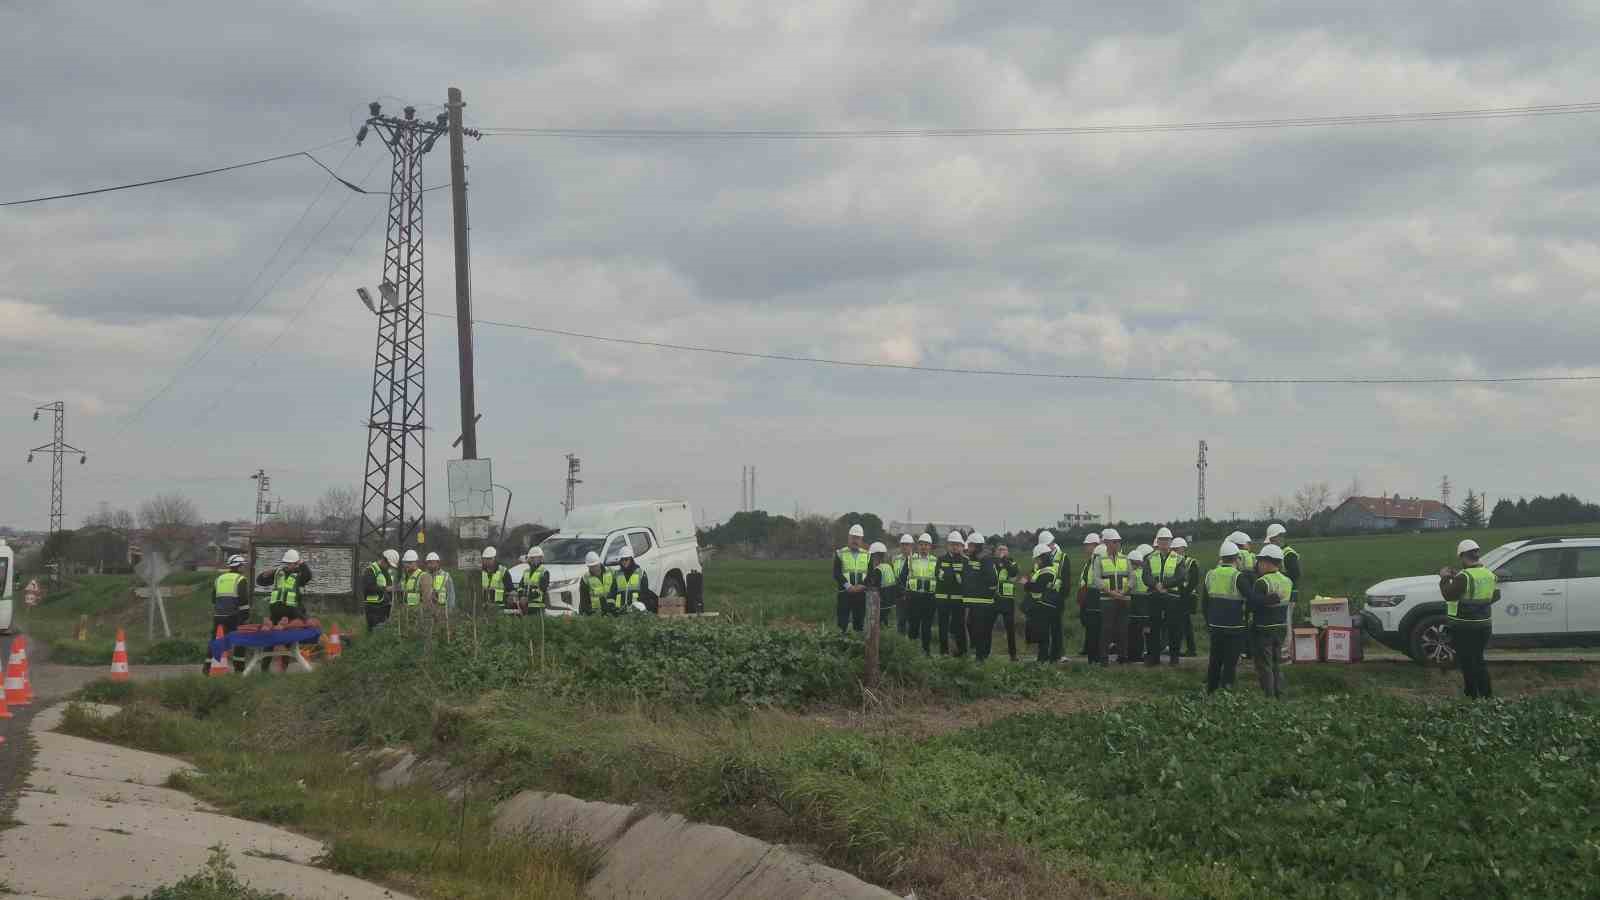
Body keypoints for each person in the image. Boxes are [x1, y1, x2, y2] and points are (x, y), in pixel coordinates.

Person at [1439, 538, 1500, 698]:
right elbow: (1495, 596)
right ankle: (1487, 696)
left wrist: (1444, 577)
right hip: (1484, 625)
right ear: (1477, 555)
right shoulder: (1489, 574)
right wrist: (1478, 605)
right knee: (1479, 660)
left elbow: (1448, 595)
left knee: (1467, 662)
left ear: (1463, 556)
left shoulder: (1464, 576)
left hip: (1465, 627)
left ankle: (1472, 696)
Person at [1201, 541, 1251, 693]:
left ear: (1221, 558)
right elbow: (1250, 597)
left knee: (1215, 659)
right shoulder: (1238, 576)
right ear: (1236, 558)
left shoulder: (1210, 575)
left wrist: (1209, 622)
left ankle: (1211, 689)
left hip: (1215, 625)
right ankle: (1226, 689)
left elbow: (1204, 603)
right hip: (1234, 627)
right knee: (1230, 660)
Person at [1250, 544, 1292, 698]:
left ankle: (1269, 697)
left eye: (1260, 562)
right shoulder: (1287, 581)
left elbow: (1254, 605)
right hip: (1280, 627)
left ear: (1267, 563)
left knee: (1264, 665)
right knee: (1276, 663)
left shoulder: (1262, 582)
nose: (1258, 565)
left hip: (1264, 628)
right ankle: (1280, 694)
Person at [1144, 529, 1182, 666]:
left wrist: (1164, 585)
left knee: (1173, 628)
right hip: (1155, 596)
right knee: (1154, 628)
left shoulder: (1178, 559)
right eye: (1162, 540)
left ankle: (1174, 658)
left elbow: (1180, 576)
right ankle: (1154, 658)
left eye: (1167, 540)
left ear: (1170, 542)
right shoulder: (1149, 558)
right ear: (1157, 542)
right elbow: (1146, 576)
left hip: (1172, 597)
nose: (1164, 543)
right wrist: (1156, 585)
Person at [1092, 529, 1131, 663]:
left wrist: (1123, 593)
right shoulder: (1099, 560)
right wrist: (1111, 592)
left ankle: (1123, 657)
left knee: (1122, 629)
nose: (1117, 544)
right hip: (1107, 600)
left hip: (1123, 599)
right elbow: (1096, 579)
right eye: (1115, 542)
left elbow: (1132, 579)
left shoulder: (1125, 559)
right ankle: (1103, 658)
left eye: (1118, 542)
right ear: (1107, 543)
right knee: (1107, 629)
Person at [1024, 544, 1063, 663]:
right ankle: (1044, 657)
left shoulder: (1047, 571)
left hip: (1043, 605)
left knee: (1043, 634)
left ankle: (1043, 659)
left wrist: (1026, 584)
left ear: (1042, 558)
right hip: (1044, 604)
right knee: (1043, 633)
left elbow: (1038, 588)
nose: (1036, 561)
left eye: (1037, 559)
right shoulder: (1045, 570)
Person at [211, 555, 251, 668]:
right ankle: (239, 669)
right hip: (234, 616)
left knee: (216, 641)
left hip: (218, 616)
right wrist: (245, 616)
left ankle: (208, 667)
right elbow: (243, 600)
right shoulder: (240, 579)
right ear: (238, 566)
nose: (244, 568)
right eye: (243, 565)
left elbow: (213, 599)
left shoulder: (219, 579)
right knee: (240, 641)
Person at [963, 533, 998, 661]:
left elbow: (992, 580)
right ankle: (981, 653)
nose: (968, 548)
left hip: (983, 602)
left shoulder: (985, 559)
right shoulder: (972, 559)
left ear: (977, 546)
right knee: (971, 626)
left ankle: (981, 656)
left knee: (981, 630)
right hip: (973, 601)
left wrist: (982, 590)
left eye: (971, 546)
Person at [256, 548, 313, 624]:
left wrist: (302, 563)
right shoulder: (278, 572)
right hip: (276, 610)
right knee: (275, 630)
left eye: (290, 563)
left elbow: (308, 576)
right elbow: (261, 582)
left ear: (296, 563)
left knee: (297, 626)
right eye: (286, 563)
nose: (287, 565)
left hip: (292, 610)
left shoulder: (299, 575)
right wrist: (263, 575)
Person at [833, 524, 870, 634]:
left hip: (861, 594)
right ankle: (841, 645)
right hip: (844, 593)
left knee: (859, 623)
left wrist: (862, 585)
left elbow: (871, 574)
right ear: (848, 538)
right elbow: (836, 573)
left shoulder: (868, 555)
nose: (855, 540)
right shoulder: (840, 553)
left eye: (858, 538)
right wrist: (848, 586)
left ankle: (856, 645)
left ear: (861, 539)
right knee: (842, 623)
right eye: (853, 537)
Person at [905, 534, 939, 656]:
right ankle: (911, 652)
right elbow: (904, 577)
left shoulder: (936, 561)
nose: (923, 547)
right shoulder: (910, 559)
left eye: (926, 545)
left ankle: (926, 652)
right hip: (913, 597)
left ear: (930, 547)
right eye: (921, 544)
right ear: (918, 546)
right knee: (913, 626)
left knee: (926, 627)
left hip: (929, 598)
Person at [935, 532, 968, 656]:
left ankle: (962, 653)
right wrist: (956, 576)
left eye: (957, 544)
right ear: (948, 545)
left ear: (961, 546)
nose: (955, 547)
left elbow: (965, 579)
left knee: (959, 627)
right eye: (952, 544)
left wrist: (947, 575)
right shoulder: (941, 559)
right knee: (943, 627)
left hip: (959, 600)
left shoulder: (965, 561)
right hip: (943, 599)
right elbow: (938, 576)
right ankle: (944, 652)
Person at [989, 540, 1021, 662]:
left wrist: (1004, 560)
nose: (1002, 551)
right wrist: (998, 561)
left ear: (1008, 552)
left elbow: (1014, 572)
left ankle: (1013, 655)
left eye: (1004, 549)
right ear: (996, 551)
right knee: (988, 626)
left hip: (1007, 600)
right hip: (994, 598)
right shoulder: (992, 562)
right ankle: (987, 652)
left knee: (1010, 628)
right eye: (1000, 549)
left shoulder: (1012, 562)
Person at [1171, 537, 1200, 657]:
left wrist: (1184, 594)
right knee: (1184, 623)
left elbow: (1194, 580)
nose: (1175, 551)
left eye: (1177, 549)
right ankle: (1189, 649)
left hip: (1187, 597)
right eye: (1174, 549)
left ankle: (1188, 649)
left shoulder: (1191, 562)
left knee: (1184, 623)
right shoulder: (1173, 561)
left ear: (1183, 549)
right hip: (1178, 596)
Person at [1079, 533, 1104, 663]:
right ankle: (1091, 656)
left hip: (1095, 597)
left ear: (1095, 545)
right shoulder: (1089, 561)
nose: (1085, 547)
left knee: (1096, 628)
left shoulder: (1098, 560)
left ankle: (1096, 657)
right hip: (1087, 597)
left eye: (1087, 545)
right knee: (1090, 627)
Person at [1125, 545, 1152, 663]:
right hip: (1145, 608)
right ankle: (1143, 654)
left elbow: (1128, 589)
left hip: (1134, 607)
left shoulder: (1133, 574)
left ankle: (1133, 656)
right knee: (1143, 632)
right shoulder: (1146, 573)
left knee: (1133, 633)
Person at [362, 549, 400, 631]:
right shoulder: (370, 570)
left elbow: (389, 586)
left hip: (385, 607)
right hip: (373, 609)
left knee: (384, 631)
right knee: (375, 631)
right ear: (383, 560)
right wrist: (386, 588)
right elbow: (368, 587)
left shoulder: (386, 571)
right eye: (389, 564)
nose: (389, 567)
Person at [615, 545, 654, 613]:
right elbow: (613, 593)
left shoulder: (641, 573)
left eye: (626, 559)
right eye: (622, 560)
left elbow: (645, 594)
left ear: (631, 559)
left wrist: (640, 607)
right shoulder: (617, 575)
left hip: (636, 612)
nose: (624, 562)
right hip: (621, 612)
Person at [579, 551, 617, 615]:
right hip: (596, 613)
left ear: (599, 563)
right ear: (588, 567)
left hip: (612, 610)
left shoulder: (611, 572)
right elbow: (584, 600)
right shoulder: (585, 579)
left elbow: (616, 590)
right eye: (591, 567)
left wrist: (613, 606)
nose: (594, 568)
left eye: (595, 565)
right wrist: (588, 612)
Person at [891, 535, 915, 633]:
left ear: (911, 546)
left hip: (911, 593)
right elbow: (893, 575)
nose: (905, 547)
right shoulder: (895, 559)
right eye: (903, 545)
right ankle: (900, 642)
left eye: (907, 545)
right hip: (899, 594)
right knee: (900, 620)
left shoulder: (916, 559)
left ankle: (911, 642)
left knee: (911, 620)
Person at [480, 546, 513, 612]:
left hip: (499, 607)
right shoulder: (481, 572)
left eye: (489, 559)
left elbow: (510, 590)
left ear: (494, 558)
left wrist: (508, 604)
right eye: (485, 559)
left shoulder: (503, 571)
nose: (487, 561)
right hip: (483, 607)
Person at [520, 545, 550, 615]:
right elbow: (520, 586)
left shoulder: (544, 572)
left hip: (538, 607)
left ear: (540, 558)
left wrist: (527, 598)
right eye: (531, 558)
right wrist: (521, 597)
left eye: (533, 558)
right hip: (525, 607)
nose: (531, 560)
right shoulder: (526, 571)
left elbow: (541, 589)